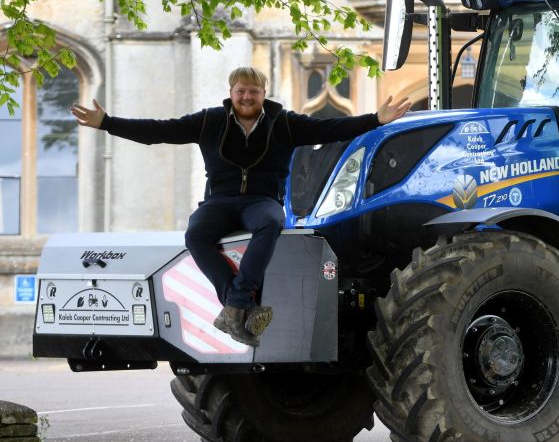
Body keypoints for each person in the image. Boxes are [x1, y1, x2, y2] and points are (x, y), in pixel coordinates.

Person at [71, 66, 410, 346]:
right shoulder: (209, 121)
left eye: (254, 91)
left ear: (264, 93)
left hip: (260, 201)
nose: (247, 97)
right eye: (241, 91)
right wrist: (107, 123)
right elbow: (160, 131)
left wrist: (376, 119)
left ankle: (235, 304)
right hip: (220, 200)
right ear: (231, 93)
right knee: (197, 234)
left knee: (271, 222)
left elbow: (333, 127)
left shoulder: (284, 123)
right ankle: (239, 306)